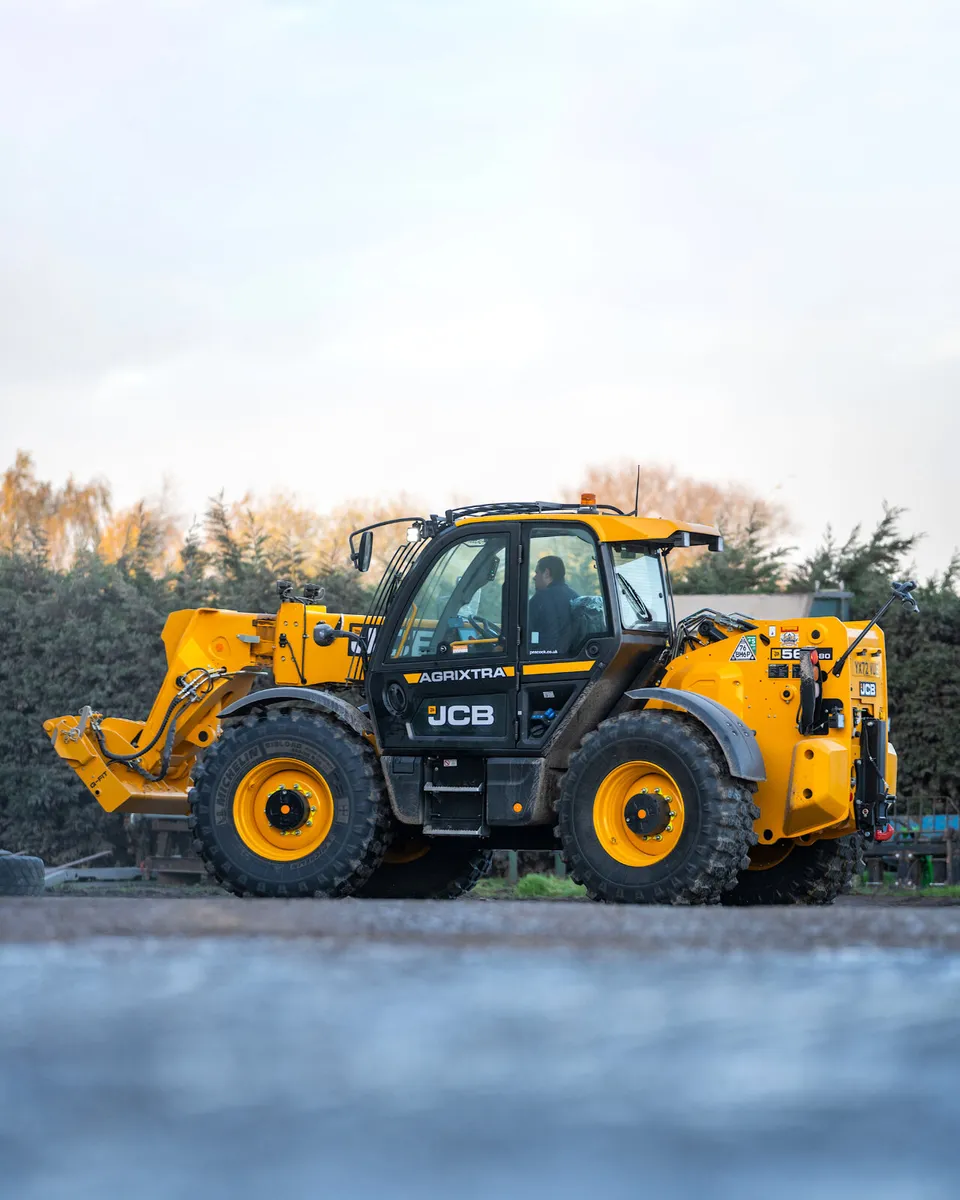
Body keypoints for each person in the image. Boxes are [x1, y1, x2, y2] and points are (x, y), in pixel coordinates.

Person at [528, 555, 578, 654]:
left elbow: (532, 632)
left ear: (546, 573)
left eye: (537, 573)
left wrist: (534, 644)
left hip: (542, 657)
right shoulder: (575, 597)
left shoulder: (539, 599)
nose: (534, 577)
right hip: (569, 657)